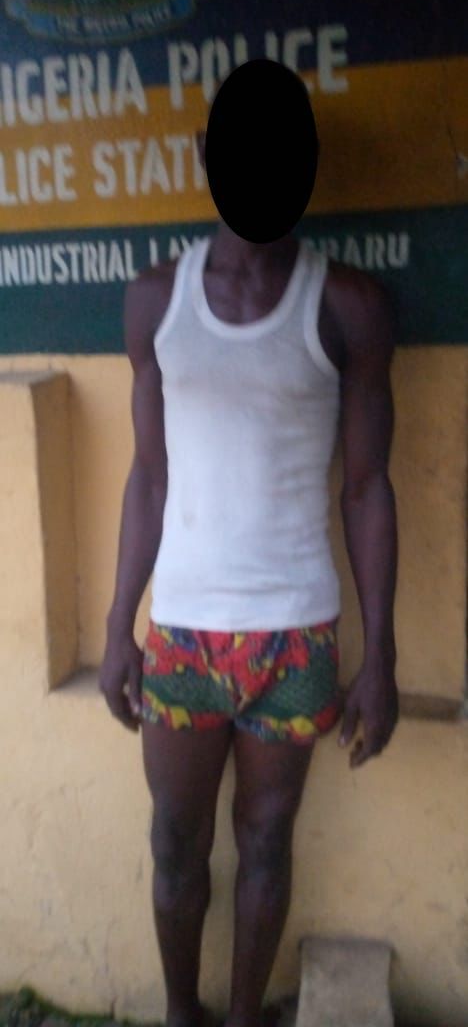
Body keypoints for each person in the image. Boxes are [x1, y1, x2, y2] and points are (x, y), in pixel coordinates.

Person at [99, 59, 399, 1027]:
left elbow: (367, 488)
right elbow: (149, 476)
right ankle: (181, 1012)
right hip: (183, 632)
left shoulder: (348, 307)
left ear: (307, 167)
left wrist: (381, 654)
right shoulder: (156, 301)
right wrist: (118, 624)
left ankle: (238, 1019)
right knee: (176, 843)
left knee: (266, 843)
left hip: (296, 639)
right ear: (206, 157)